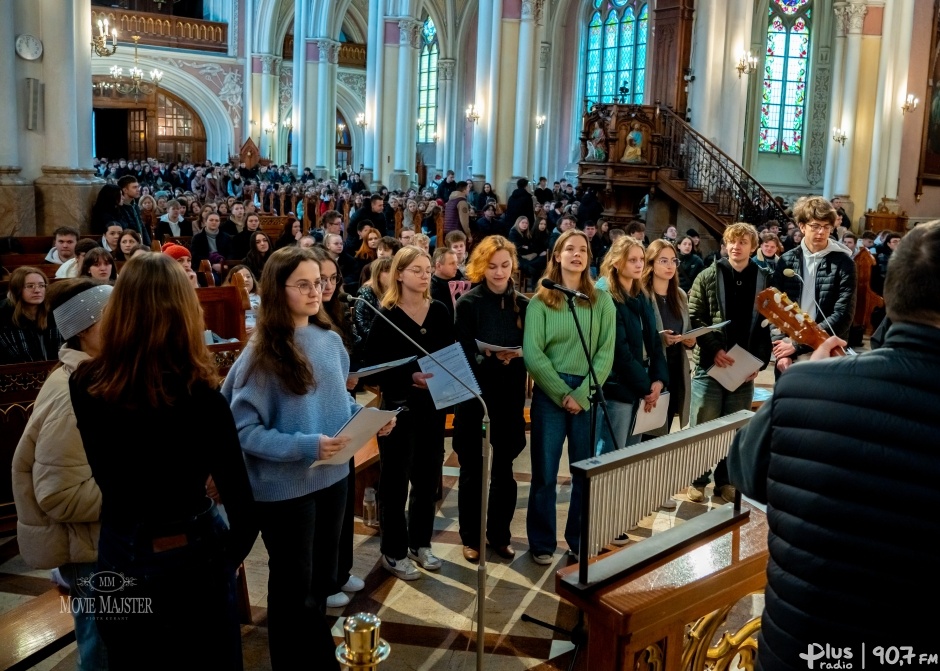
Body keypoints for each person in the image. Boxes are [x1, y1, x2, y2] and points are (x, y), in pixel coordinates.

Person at [726, 220, 940, 670]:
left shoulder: (805, 385)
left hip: (797, 648)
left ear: (891, 295)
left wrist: (802, 385)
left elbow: (744, 470)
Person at [69, 254, 258, 669]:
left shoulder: (85, 384)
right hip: (192, 550)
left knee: (132, 660)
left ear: (118, 309)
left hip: (121, 548)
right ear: (186, 313)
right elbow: (244, 508)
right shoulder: (202, 396)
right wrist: (223, 562)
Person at [222, 247, 392, 668]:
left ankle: (316, 658)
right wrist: (307, 445)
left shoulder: (329, 339)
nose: (317, 291)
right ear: (278, 291)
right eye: (304, 284)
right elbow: (243, 431)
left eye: (319, 282)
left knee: (322, 582)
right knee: (292, 589)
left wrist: (369, 419)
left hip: (332, 476)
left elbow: (339, 405)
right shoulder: (262, 353)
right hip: (285, 488)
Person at [12, 279, 112, 671]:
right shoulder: (74, 394)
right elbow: (59, 494)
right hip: (92, 557)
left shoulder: (97, 377)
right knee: (104, 653)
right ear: (87, 330)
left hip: (102, 547)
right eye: (116, 318)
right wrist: (141, 493)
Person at [523, 229, 615, 565]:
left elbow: (606, 351)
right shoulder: (541, 301)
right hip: (551, 393)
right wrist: (563, 393)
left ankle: (578, 538)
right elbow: (533, 354)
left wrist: (584, 394)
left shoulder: (601, 300)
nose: (577, 255)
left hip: (588, 391)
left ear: (590, 258)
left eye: (583, 250)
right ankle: (542, 542)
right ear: (557, 256)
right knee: (545, 472)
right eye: (569, 249)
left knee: (583, 471)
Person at [363, 246, 455, 580]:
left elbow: (450, 354)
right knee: (395, 482)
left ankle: (420, 543)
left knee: (428, 479)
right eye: (416, 269)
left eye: (427, 268)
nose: (424, 274)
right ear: (399, 273)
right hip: (398, 409)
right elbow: (371, 367)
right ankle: (393, 550)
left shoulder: (440, 311)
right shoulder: (386, 314)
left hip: (432, 407)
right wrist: (408, 376)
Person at [452, 236, 529, 563]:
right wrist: (489, 359)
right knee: (472, 469)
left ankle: (499, 535)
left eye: (505, 265)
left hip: (510, 396)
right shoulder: (469, 304)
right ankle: (470, 537)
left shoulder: (524, 305)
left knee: (504, 469)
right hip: (475, 397)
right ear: (480, 267)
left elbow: (534, 348)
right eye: (492, 266)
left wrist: (519, 356)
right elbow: (461, 352)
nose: (499, 272)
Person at [687, 223, 772, 503]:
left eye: (743, 242)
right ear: (725, 245)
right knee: (704, 424)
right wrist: (713, 350)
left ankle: (725, 482)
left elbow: (766, 325)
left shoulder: (763, 278)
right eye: (732, 242)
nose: (737, 247)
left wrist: (757, 363)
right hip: (711, 365)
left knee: (735, 430)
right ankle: (697, 480)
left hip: (743, 367)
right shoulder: (708, 275)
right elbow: (695, 317)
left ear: (753, 247)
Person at [594, 236, 668, 456]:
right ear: (616, 262)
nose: (639, 265)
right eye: (632, 260)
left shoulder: (642, 294)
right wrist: (646, 387)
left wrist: (659, 380)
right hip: (619, 387)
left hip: (642, 383)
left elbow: (654, 340)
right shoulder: (606, 296)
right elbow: (620, 351)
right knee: (611, 455)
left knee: (631, 455)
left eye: (641, 259)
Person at [771, 196, 857, 374]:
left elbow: (842, 314)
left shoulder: (844, 263)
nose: (821, 232)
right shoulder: (787, 260)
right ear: (802, 226)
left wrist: (797, 344)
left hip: (826, 349)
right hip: (789, 351)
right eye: (815, 226)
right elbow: (775, 309)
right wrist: (782, 352)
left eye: (826, 227)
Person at [642, 240, 694, 439]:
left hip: (675, 370)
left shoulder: (679, 295)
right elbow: (637, 334)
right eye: (663, 260)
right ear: (651, 263)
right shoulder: (642, 294)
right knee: (647, 435)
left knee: (663, 434)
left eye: (673, 260)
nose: (670, 266)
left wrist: (689, 340)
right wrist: (658, 338)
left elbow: (685, 328)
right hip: (652, 370)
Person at [0, 267, 61, 364]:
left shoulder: (55, 310)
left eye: (41, 286)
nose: (37, 290)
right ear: (17, 289)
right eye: (30, 286)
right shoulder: (4, 313)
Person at [352, 257, 392, 366]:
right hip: (368, 348)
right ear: (377, 274)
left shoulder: (395, 294)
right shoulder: (365, 295)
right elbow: (362, 327)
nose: (391, 274)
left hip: (388, 345)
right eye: (387, 271)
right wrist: (386, 340)